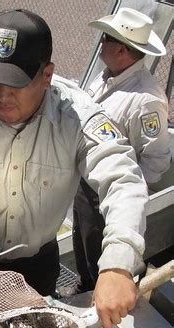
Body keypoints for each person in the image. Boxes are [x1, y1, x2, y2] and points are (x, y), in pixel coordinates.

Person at [0, 9, 149, 328]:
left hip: (36, 267)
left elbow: (123, 181)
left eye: (16, 83)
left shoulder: (80, 121)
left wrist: (118, 264)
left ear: (47, 75)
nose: (2, 94)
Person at [72, 7, 171, 293]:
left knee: (105, 254)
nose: (100, 42)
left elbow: (156, 159)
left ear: (122, 50)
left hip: (110, 192)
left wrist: (123, 193)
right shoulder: (104, 78)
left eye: (106, 38)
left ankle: (99, 298)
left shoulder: (146, 100)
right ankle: (85, 287)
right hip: (86, 181)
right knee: (83, 242)